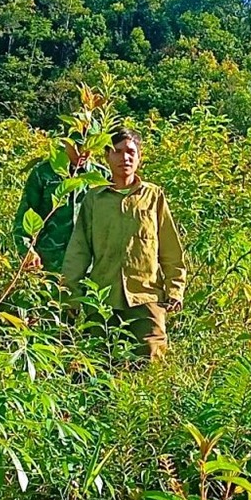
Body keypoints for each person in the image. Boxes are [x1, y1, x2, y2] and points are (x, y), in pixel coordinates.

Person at [61, 127, 186, 360]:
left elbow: (170, 248)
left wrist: (175, 289)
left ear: (139, 157)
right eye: (117, 152)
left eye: (130, 152)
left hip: (146, 296)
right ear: (107, 156)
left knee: (150, 360)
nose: (124, 158)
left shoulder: (153, 196)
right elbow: (79, 249)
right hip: (102, 297)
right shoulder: (94, 199)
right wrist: (71, 294)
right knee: (98, 362)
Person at [4, 136, 106, 273]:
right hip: (48, 264)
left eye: (89, 147)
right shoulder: (44, 173)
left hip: (88, 267)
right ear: (65, 142)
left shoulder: (103, 176)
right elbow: (25, 217)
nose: (83, 153)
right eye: (78, 146)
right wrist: (27, 251)